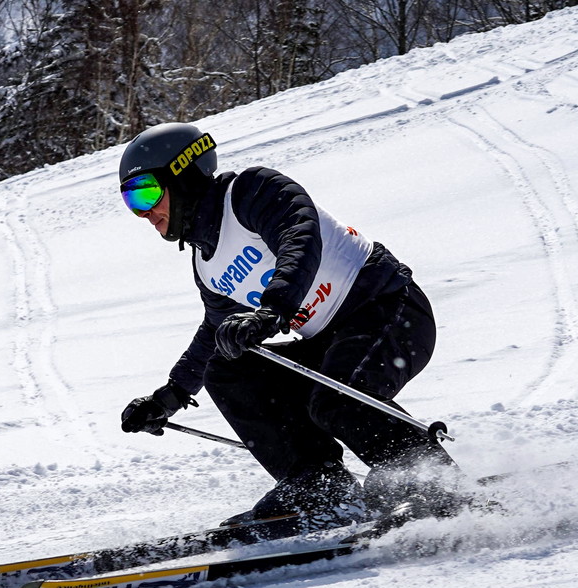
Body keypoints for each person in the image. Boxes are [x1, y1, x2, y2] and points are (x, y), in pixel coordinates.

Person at [118, 122, 460, 527]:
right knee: (225, 365)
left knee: (338, 397)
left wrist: (273, 308)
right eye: (130, 201)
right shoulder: (206, 263)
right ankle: (318, 484)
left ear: (184, 174)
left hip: (387, 308)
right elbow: (214, 332)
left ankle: (426, 479)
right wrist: (169, 397)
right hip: (328, 339)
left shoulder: (251, 191)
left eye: (146, 192)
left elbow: (299, 235)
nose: (144, 212)